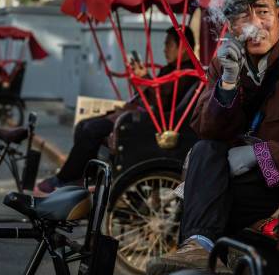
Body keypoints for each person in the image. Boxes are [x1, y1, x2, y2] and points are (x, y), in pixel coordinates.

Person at [146, 0, 279, 275]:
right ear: (231, 25)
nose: (254, 24)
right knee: (202, 150)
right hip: (236, 176)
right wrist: (226, 85)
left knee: (205, 196)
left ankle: (201, 268)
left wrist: (259, 156)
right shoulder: (224, 64)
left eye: (263, 12)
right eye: (242, 15)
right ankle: (199, 249)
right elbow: (206, 131)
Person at [36, 26, 197, 194]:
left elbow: (162, 103)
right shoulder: (169, 69)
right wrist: (142, 80)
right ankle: (81, 177)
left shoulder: (187, 72)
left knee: (92, 129)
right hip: (147, 116)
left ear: (184, 46)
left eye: (168, 44)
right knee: (84, 125)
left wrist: (146, 78)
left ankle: (65, 179)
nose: (164, 49)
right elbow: (151, 95)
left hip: (156, 126)